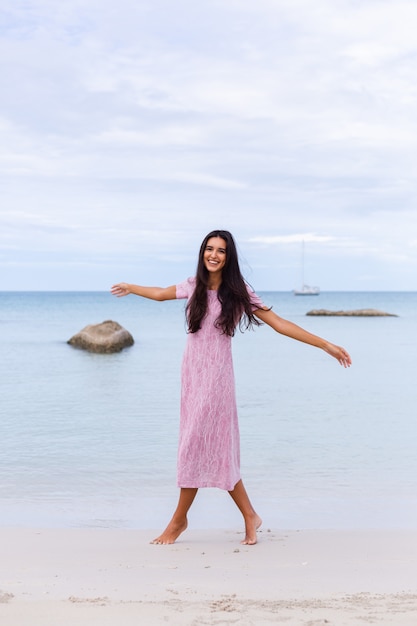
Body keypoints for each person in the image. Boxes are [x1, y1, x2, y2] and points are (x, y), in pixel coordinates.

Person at [111, 230, 351, 545]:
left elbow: (279, 324)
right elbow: (159, 293)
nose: (213, 255)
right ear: (202, 254)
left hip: (217, 381)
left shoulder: (238, 292)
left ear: (229, 257)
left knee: (194, 447)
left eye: (220, 251)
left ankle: (178, 521)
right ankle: (249, 515)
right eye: (209, 249)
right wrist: (131, 287)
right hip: (192, 378)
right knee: (213, 450)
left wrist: (324, 344)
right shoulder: (194, 286)